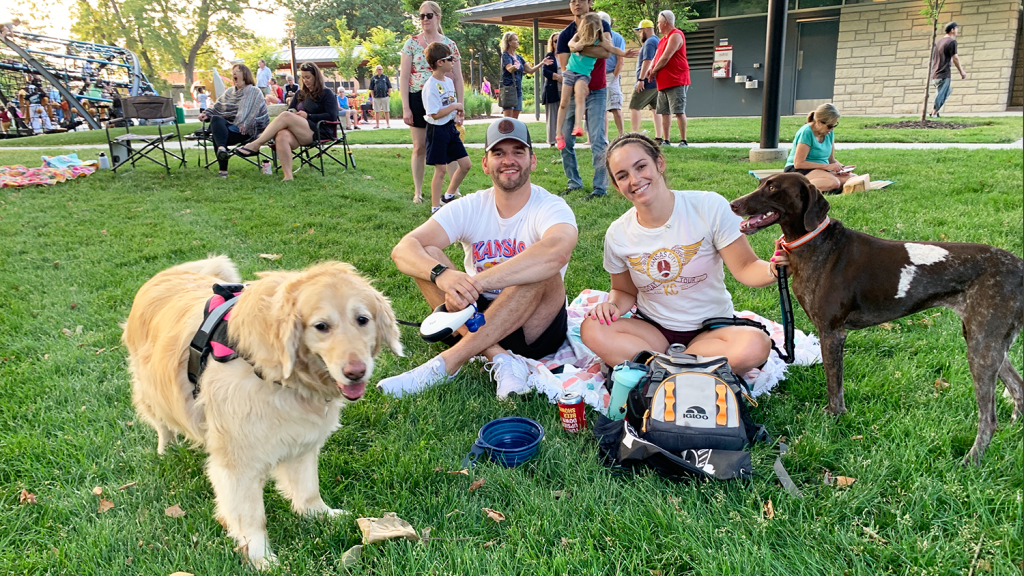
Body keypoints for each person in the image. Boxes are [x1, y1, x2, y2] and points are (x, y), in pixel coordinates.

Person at [378, 117, 578, 399]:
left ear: (532, 161)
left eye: (518, 152)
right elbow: (404, 249)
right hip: (474, 316)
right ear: (485, 164)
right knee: (427, 257)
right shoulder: (470, 206)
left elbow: (556, 251)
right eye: (498, 153)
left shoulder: (551, 207)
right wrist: (444, 276)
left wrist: (478, 282)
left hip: (534, 327)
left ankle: (446, 363)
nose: (509, 160)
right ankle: (499, 358)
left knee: (541, 271)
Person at [581, 133, 787, 374]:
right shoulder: (618, 233)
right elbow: (624, 291)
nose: (635, 180)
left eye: (641, 166)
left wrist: (774, 268)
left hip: (712, 330)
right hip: (652, 330)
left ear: (659, 163)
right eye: (623, 176)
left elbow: (746, 267)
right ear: (617, 186)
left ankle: (656, 369)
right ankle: (690, 370)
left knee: (755, 345)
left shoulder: (708, 207)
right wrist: (613, 306)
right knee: (591, 329)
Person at [555, 0, 625, 200]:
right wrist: (587, 47)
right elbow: (565, 65)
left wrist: (578, 48)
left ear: (590, 3)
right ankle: (574, 183)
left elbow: (606, 52)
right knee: (566, 141)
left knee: (597, 140)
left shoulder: (601, 24)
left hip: (597, 90)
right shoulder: (565, 34)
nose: (577, 4)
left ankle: (599, 188)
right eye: (573, 1)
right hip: (574, 92)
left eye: (581, 0)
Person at [400, 1, 465, 205]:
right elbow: (403, 77)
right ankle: (418, 192)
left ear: (438, 17)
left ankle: (453, 190)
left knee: (449, 143)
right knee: (419, 146)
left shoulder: (449, 45)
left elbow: (457, 77)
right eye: (421, 16)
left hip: (445, 99)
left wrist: (460, 104)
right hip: (418, 98)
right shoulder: (411, 43)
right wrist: (406, 107)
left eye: (428, 15)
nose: (425, 20)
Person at [235, 62, 338, 181]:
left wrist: (308, 116)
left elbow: (332, 116)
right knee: (281, 134)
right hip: (299, 131)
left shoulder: (326, 93)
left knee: (285, 115)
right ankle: (288, 176)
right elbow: (290, 110)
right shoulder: (300, 93)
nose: (305, 80)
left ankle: (256, 144)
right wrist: (294, 113)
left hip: (319, 130)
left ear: (316, 77)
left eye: (308, 77)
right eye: (303, 77)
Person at [554, 14, 625, 150]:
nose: (590, 32)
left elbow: (610, 50)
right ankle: (558, 134)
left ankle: (577, 126)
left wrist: (624, 53)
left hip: (584, 75)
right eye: (588, 28)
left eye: (593, 28)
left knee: (580, 98)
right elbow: (570, 44)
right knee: (564, 103)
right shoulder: (577, 35)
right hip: (570, 72)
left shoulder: (601, 41)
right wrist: (575, 46)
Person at [422, 42, 471, 213]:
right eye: (450, 59)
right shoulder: (430, 86)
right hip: (437, 131)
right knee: (440, 170)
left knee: (465, 164)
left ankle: (448, 196)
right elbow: (434, 113)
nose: (453, 61)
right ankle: (435, 208)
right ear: (439, 62)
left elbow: (449, 105)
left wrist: (457, 114)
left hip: (450, 128)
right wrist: (456, 106)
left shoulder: (449, 82)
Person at [197, 64, 270, 178]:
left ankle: (223, 170)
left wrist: (243, 122)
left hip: (246, 131)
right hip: (227, 131)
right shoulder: (229, 92)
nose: (234, 73)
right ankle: (222, 150)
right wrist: (206, 114)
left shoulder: (254, 91)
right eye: (233, 71)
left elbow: (252, 113)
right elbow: (217, 108)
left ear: (245, 74)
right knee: (216, 119)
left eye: (237, 71)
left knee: (218, 135)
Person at [783, 103, 855, 193]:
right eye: (829, 126)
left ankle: (821, 188)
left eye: (834, 125)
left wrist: (841, 168)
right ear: (818, 121)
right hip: (799, 170)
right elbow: (798, 163)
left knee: (853, 178)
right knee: (833, 182)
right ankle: (794, 189)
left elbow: (831, 159)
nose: (832, 129)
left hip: (821, 169)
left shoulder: (829, 133)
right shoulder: (806, 132)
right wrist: (827, 167)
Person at [646, 10, 690, 147]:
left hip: (676, 79)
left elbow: (666, 57)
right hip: (663, 81)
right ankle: (666, 140)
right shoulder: (663, 39)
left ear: (665, 22)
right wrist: (650, 67)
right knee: (664, 112)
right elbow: (657, 56)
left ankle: (683, 140)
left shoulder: (676, 35)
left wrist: (653, 71)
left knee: (678, 110)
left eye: (659, 22)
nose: (658, 26)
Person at [498, 32, 551, 119]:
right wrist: (515, 67)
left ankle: (514, 133)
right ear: (509, 42)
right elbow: (509, 68)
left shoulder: (519, 57)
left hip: (518, 90)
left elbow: (530, 70)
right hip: (508, 90)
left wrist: (542, 63)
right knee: (508, 120)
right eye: (515, 40)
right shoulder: (505, 56)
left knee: (515, 119)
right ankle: (505, 133)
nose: (518, 41)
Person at [629, 19, 664, 142]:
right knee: (655, 109)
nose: (640, 34)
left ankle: (634, 135)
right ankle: (659, 137)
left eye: (640, 31)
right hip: (656, 81)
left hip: (647, 82)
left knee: (634, 106)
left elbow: (647, 61)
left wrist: (641, 79)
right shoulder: (657, 41)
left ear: (646, 29)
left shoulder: (649, 43)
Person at [929, 22, 968, 118]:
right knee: (942, 93)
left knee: (945, 91)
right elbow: (955, 58)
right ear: (952, 30)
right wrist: (961, 71)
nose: (958, 30)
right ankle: (934, 114)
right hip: (943, 73)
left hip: (935, 72)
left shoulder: (939, 41)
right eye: (957, 28)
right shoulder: (951, 42)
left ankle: (935, 112)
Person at [599, 12, 626, 139]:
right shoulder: (594, 38)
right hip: (598, 76)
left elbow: (620, 61)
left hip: (611, 74)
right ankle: (603, 138)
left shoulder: (617, 38)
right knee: (601, 109)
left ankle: (622, 135)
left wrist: (614, 77)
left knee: (615, 107)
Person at [541, 34, 562, 147]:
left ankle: (563, 139)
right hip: (552, 89)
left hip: (565, 89)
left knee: (564, 115)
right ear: (552, 43)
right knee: (552, 116)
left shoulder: (567, 55)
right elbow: (545, 72)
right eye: (555, 41)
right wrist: (557, 77)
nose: (558, 43)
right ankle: (552, 141)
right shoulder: (549, 56)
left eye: (560, 40)